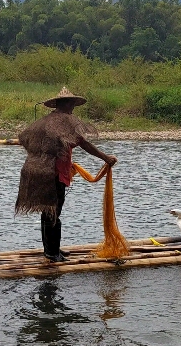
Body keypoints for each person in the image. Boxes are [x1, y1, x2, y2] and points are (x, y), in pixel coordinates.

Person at [15, 88, 117, 262]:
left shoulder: (45, 122)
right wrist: (106, 158)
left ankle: (51, 249)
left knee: (48, 211)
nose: (73, 108)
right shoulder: (65, 122)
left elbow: (24, 138)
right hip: (52, 173)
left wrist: (42, 155)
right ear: (65, 104)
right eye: (71, 104)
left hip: (38, 170)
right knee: (54, 212)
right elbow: (83, 143)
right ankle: (53, 253)